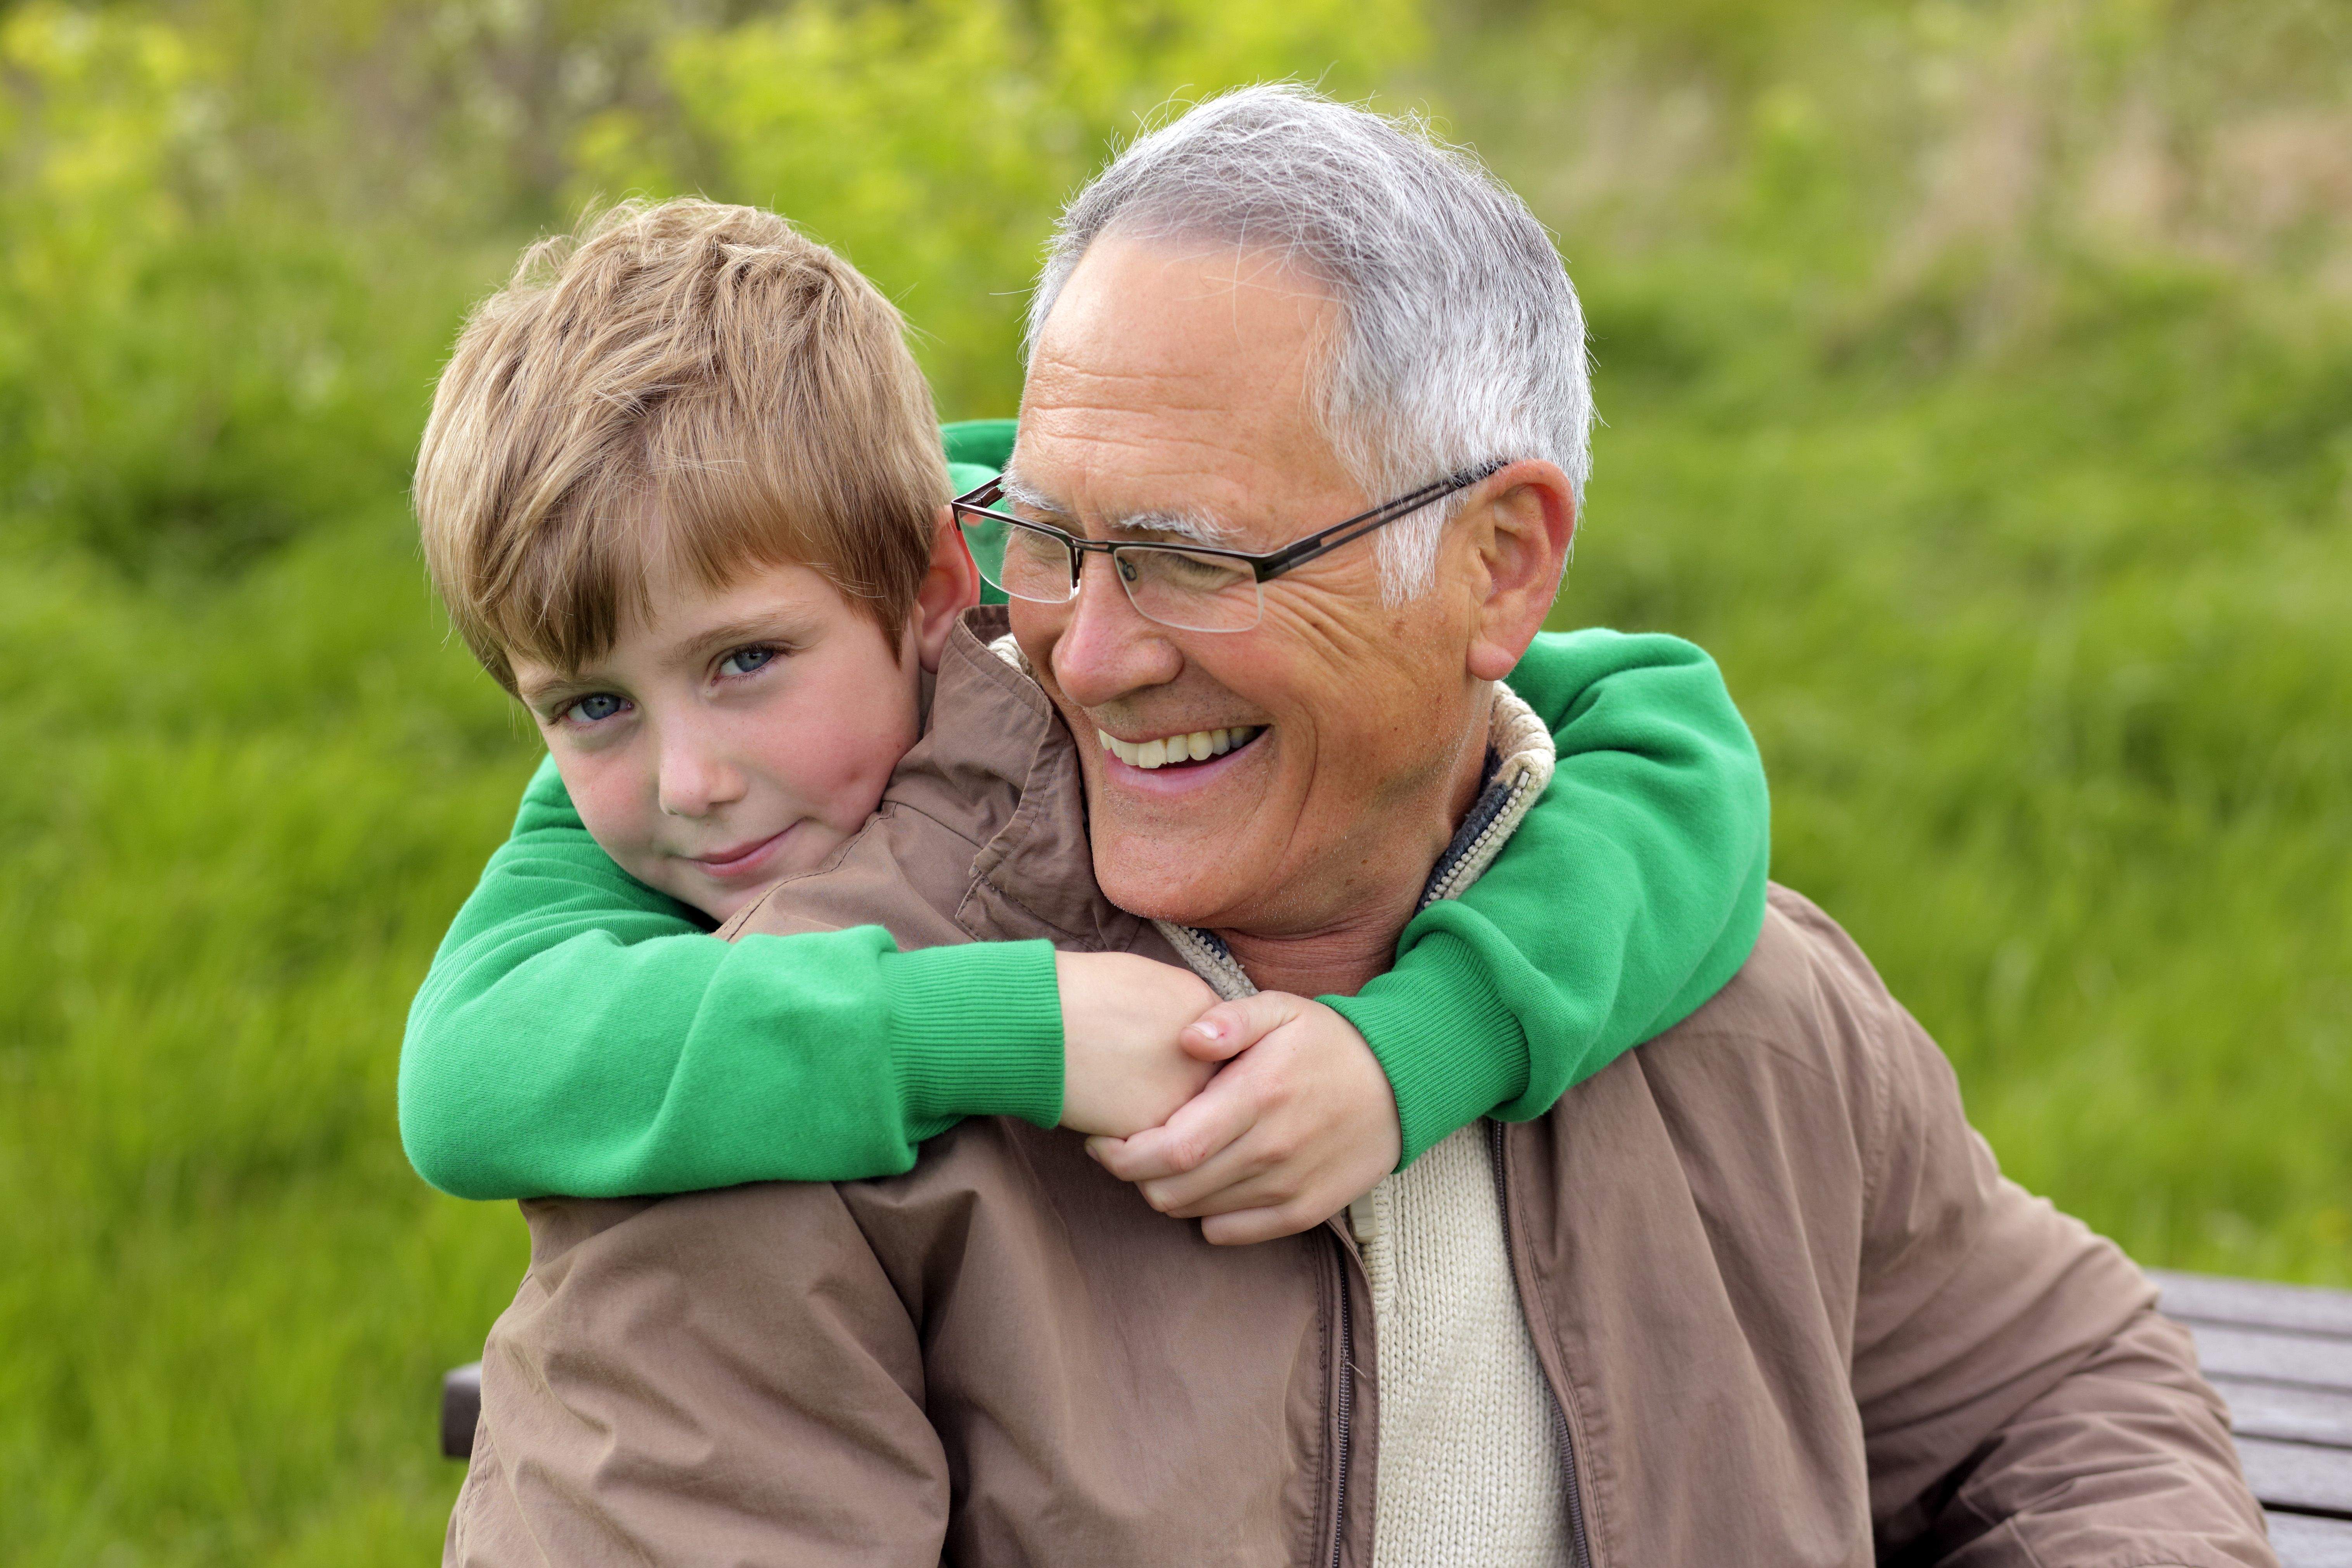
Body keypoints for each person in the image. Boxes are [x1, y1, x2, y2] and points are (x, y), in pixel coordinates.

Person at [443, 90, 2273, 1568]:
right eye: (1053, 538)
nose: (1087, 646)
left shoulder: (1710, 985)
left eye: (1190, 558)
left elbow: (2063, 1397)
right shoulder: (768, 1083)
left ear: (1499, 568)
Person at [400, 197, 1772, 1241]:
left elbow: (1670, 732)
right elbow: (472, 1072)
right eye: (588, 704)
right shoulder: (634, 795)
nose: (687, 781)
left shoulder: (1031, 552)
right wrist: (1023, 1028)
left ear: (939, 584)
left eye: (747, 662)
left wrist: (1414, 1051)